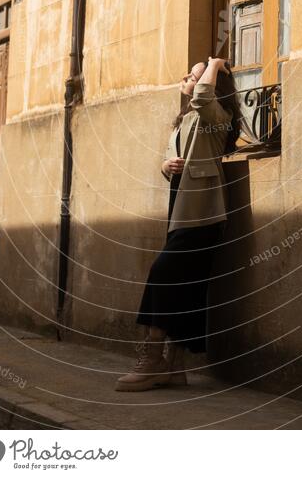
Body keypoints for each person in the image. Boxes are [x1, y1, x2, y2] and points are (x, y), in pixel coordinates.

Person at [115, 56, 242, 391]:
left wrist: (214, 63)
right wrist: (165, 164)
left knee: (162, 273)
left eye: (195, 75)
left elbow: (203, 96)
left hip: (203, 215)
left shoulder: (217, 118)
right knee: (188, 289)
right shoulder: (183, 120)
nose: (187, 77)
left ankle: (153, 359)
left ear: (214, 84)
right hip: (180, 210)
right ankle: (175, 368)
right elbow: (171, 155)